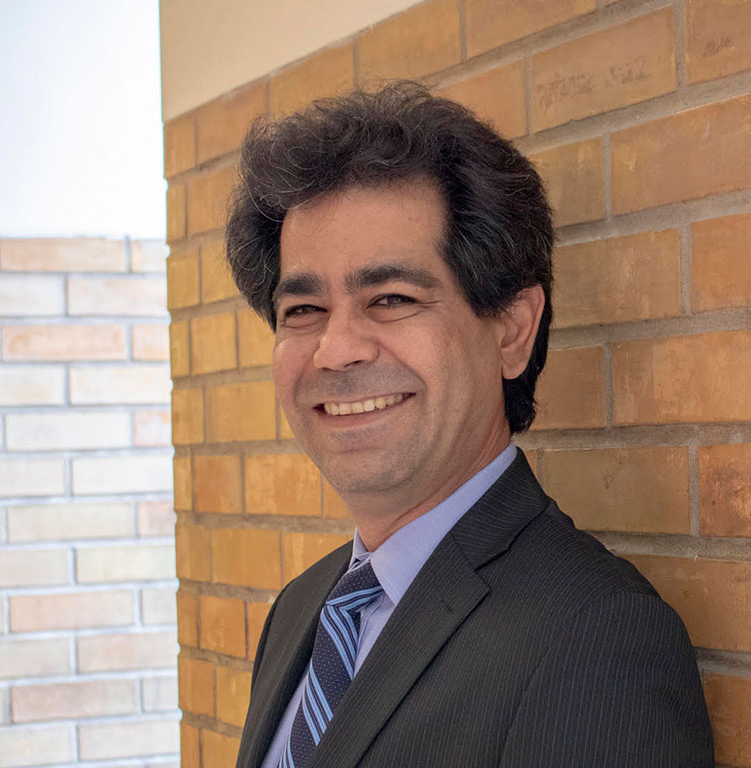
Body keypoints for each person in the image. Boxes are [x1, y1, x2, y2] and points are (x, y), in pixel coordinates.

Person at [224, 82, 714, 768]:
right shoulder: (303, 610)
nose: (336, 350)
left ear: (512, 329)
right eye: (303, 310)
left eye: (391, 298)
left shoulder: (595, 639)